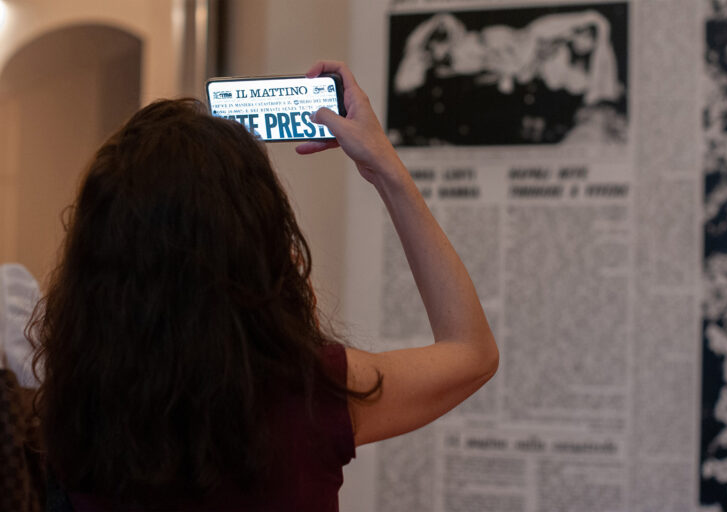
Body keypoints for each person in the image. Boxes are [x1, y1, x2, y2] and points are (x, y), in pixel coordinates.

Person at [29, 61, 497, 511]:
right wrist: (386, 169)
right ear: (254, 247)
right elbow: (472, 353)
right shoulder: (310, 394)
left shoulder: (76, 409)